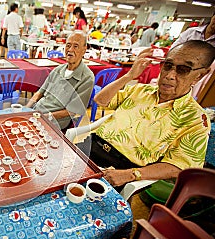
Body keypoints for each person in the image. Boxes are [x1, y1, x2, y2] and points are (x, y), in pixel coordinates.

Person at [76, 40, 214, 187]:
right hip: (92, 145)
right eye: (167, 65)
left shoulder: (196, 120)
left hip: (122, 166)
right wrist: (129, 76)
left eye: (183, 69)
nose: (170, 75)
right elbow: (100, 100)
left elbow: (178, 166)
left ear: (199, 76)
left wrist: (131, 174)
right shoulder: (141, 90)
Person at [26, 32, 94, 130]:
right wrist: (26, 109)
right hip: (36, 113)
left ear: (84, 50)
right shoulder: (58, 70)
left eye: (76, 46)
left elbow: (73, 111)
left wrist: (46, 116)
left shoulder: (87, 78)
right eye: (68, 45)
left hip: (54, 121)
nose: (70, 50)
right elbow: (40, 93)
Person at [171, 13, 215, 98]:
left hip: (199, 77)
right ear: (213, 16)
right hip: (179, 69)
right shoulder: (191, 32)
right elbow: (173, 50)